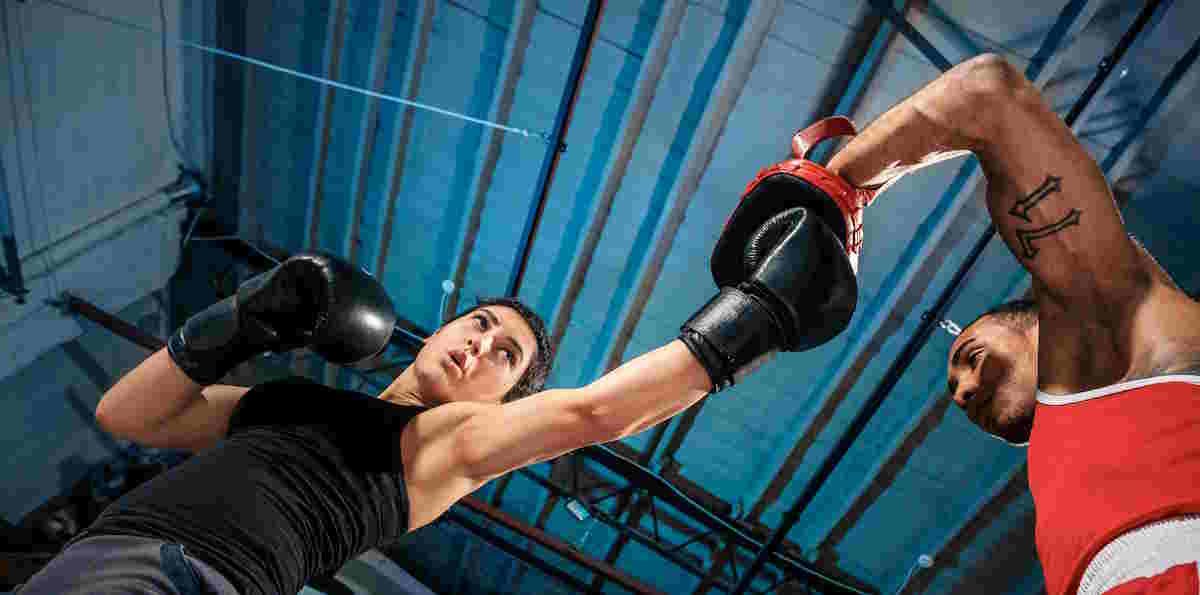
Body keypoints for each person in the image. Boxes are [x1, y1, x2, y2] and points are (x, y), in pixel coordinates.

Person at [16, 118, 863, 595]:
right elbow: (126, 414)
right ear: (444, 326)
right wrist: (240, 318)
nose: (482, 342)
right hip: (98, 550)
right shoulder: (279, 402)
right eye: (481, 323)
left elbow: (592, 412)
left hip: (198, 579)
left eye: (506, 354)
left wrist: (755, 315)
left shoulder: (440, 447)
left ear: (497, 404)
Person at [813, 53, 1200, 594]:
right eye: (956, 391)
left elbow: (984, 93)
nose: (965, 392)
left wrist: (828, 192)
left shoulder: (1110, 326)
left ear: (1034, 323)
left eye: (969, 357)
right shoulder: (1084, 452)